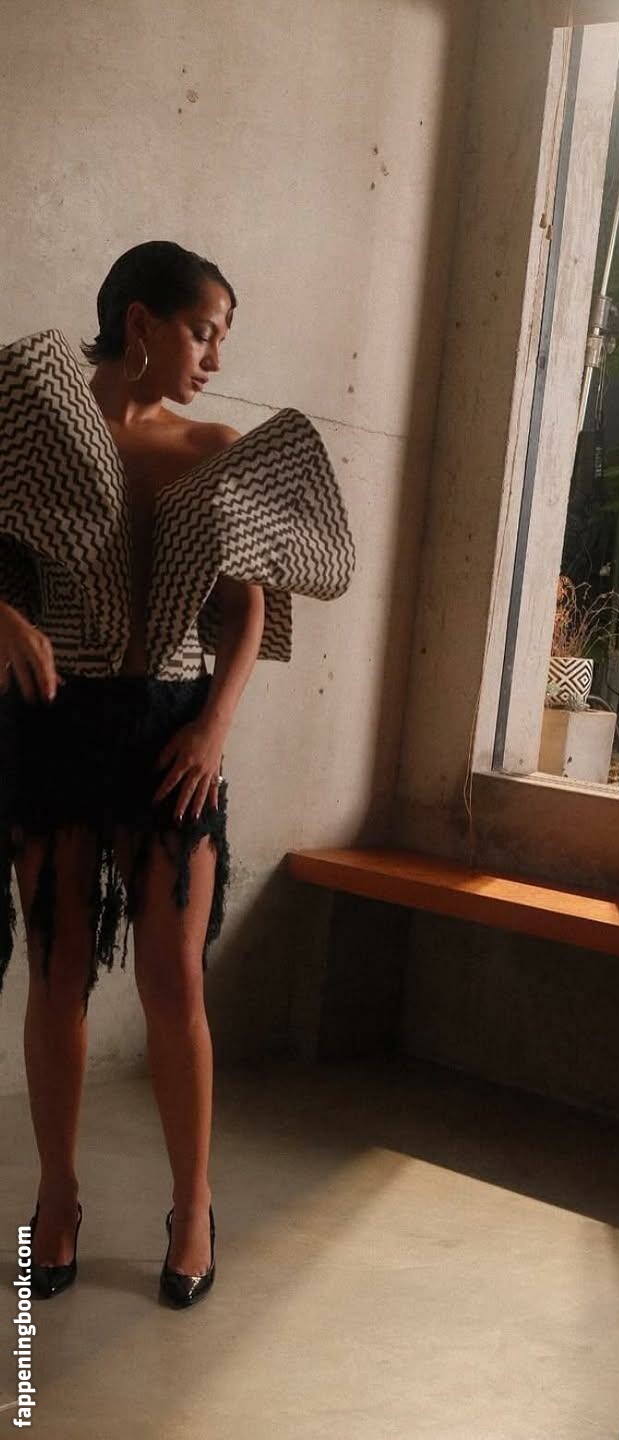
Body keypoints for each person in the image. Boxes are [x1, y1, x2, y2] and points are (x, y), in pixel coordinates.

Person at [0, 241, 354, 1308]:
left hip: (173, 730)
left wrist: (215, 729)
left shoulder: (214, 448)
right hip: (56, 722)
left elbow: (246, 609)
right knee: (57, 973)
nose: (214, 356)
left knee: (174, 980)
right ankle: (57, 1196)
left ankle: (192, 1204)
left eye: (222, 337)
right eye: (204, 331)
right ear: (141, 323)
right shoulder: (37, 429)